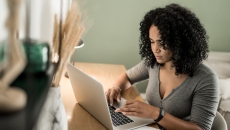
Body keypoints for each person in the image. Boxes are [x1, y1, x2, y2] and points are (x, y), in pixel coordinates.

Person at [105, 3, 219, 130]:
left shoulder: (206, 79)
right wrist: (116, 88)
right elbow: (127, 77)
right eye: (152, 42)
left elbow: (200, 129)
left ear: (179, 41)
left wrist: (156, 113)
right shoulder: (153, 63)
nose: (155, 49)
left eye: (162, 42)